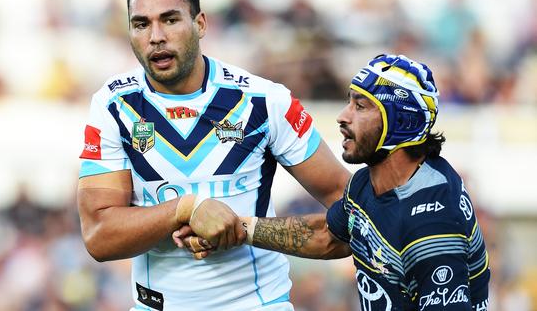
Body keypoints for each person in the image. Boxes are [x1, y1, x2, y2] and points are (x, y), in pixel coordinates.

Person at [76, 0, 350, 311]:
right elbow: (99, 236)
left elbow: (351, 209)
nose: (155, 36)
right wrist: (186, 209)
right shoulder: (113, 106)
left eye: (170, 20)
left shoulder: (264, 101)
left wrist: (244, 229)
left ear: (200, 24)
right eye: (141, 24)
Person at [180, 54, 491, 310]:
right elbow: (329, 234)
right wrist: (238, 228)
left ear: (402, 122)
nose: (343, 116)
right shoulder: (365, 185)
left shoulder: (431, 224)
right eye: (349, 102)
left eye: (361, 105)